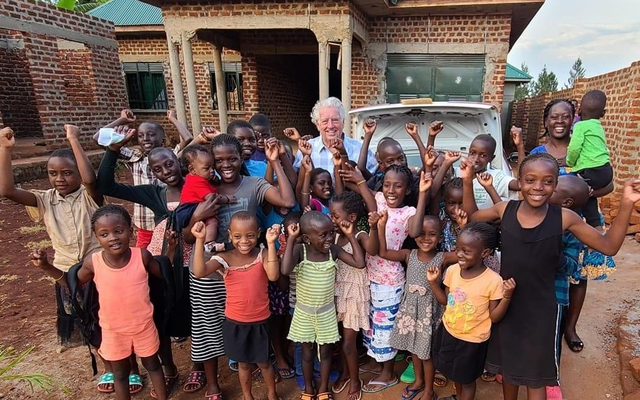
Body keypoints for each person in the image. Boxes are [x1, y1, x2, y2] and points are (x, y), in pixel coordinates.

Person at [462, 152, 640, 400]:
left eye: (547, 181)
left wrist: (627, 204)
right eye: (530, 180)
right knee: (510, 370)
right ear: (520, 181)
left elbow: (608, 246)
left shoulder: (565, 218)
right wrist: (467, 179)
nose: (538, 187)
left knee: (537, 376)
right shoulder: (505, 210)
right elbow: (472, 217)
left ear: (555, 185)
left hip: (543, 310)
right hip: (507, 304)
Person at [180, 134, 295, 400]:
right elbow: (188, 235)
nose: (225, 164)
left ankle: (257, 365)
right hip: (213, 267)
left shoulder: (254, 184)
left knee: (250, 320)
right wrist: (198, 215)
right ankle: (213, 383)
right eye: (218, 160)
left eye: (232, 158)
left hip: (249, 269)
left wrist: (274, 161)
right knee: (211, 325)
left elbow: (287, 202)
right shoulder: (205, 187)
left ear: (241, 157)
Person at [31, 205, 168, 400]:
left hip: (144, 327)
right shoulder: (93, 262)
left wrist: (170, 249)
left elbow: (165, 276)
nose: (112, 237)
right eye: (104, 234)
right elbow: (71, 283)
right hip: (113, 330)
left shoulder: (142, 256)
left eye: (118, 231)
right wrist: (46, 266)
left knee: (153, 365)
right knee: (120, 374)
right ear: (97, 237)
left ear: (131, 231)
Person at [527, 99, 615, 353]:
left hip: (583, 219)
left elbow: (608, 184)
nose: (559, 121)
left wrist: (584, 194)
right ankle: (547, 321)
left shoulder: (586, 146)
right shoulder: (538, 154)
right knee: (550, 270)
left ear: (574, 119)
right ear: (546, 121)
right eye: (554, 116)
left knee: (580, 275)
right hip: (547, 219)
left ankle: (570, 327)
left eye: (565, 116)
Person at [349, 165, 426, 393]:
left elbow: (414, 232)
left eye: (398, 186)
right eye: (387, 184)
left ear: (408, 189)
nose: (391, 190)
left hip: (390, 280)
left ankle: (388, 373)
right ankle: (379, 363)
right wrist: (358, 179)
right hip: (369, 275)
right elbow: (359, 190)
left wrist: (423, 193)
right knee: (373, 325)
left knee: (385, 327)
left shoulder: (409, 213)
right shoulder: (379, 199)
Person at [191, 213, 282, 400]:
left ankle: (272, 394)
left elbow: (273, 275)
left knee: (264, 363)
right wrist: (200, 240)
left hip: (259, 321)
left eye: (250, 235)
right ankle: (248, 396)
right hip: (235, 322)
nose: (244, 241)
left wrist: (271, 244)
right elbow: (199, 271)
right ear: (230, 235)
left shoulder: (262, 254)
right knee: (244, 364)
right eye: (238, 236)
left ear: (258, 234)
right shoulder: (223, 258)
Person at [281, 211, 366, 400]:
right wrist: (291, 240)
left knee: (326, 353)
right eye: (323, 234)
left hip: (326, 313)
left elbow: (359, 263)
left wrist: (351, 235)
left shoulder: (333, 251)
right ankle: (309, 388)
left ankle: (324, 388)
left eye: (330, 232)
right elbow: (285, 270)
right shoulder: (299, 250)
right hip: (304, 313)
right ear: (306, 238)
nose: (329, 238)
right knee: (306, 353)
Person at [428, 222, 515, 400]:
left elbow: (494, 317)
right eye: (458, 248)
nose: (459, 254)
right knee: (455, 375)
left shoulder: (493, 281)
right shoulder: (452, 271)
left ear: (485, 253)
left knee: (467, 381)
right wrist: (432, 283)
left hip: (472, 341)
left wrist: (506, 297)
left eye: (466, 251)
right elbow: (446, 301)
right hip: (449, 331)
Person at [99, 109, 191, 249]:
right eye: (157, 169)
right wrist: (113, 149)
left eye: (169, 164)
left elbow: (189, 139)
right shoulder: (152, 192)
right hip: (145, 223)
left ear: (179, 161)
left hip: (188, 256)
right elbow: (106, 186)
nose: (165, 171)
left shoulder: (196, 187)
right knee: (143, 262)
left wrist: (172, 118)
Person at [329, 191, 379, 400]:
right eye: (331, 215)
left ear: (352, 218)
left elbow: (374, 250)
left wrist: (372, 227)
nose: (332, 219)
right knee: (340, 338)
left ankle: (355, 380)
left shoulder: (360, 236)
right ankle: (345, 373)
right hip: (338, 291)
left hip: (355, 293)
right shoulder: (334, 235)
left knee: (349, 343)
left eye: (335, 216)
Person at [292, 97, 377, 181]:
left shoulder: (359, 149)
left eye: (335, 120)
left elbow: (375, 181)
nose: (330, 126)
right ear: (317, 125)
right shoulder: (306, 149)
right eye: (325, 121)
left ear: (343, 122)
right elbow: (297, 181)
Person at [566, 90, 613, 228]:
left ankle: (589, 226)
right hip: (605, 170)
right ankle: (597, 226)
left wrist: (569, 161)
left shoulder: (580, 126)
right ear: (603, 114)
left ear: (579, 111)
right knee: (589, 195)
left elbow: (574, 148)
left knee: (582, 192)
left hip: (591, 170)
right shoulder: (598, 127)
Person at [179, 145, 234, 252]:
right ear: (192, 169)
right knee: (212, 221)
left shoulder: (198, 178)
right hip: (189, 209)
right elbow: (212, 198)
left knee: (204, 224)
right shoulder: (197, 181)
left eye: (213, 167)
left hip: (189, 208)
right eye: (207, 168)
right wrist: (227, 199)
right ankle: (209, 243)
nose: (212, 171)